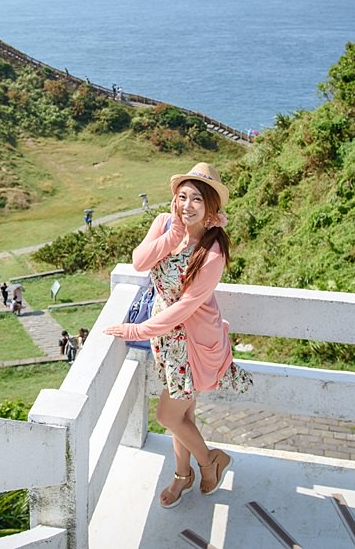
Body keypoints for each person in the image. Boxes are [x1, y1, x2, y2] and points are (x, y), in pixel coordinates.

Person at [104, 162, 252, 509]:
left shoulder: (213, 251)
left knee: (168, 416)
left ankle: (209, 461)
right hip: (166, 339)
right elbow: (139, 261)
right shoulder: (164, 224)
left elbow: (185, 307)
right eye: (181, 197)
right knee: (184, 417)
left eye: (196, 199)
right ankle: (183, 476)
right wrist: (171, 236)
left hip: (194, 343)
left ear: (211, 206)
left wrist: (138, 329)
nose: (186, 205)